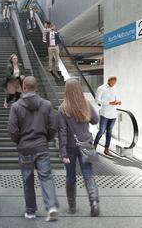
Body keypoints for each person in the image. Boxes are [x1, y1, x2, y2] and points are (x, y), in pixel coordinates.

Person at [7, 76, 59, 221]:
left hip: (25, 148)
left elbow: (12, 129)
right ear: (36, 88)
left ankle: (30, 211)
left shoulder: (16, 106)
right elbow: (53, 126)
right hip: (41, 146)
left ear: (23, 87)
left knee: (27, 179)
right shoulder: (47, 105)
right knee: (46, 177)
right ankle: (51, 207)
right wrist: (46, 139)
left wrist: (19, 140)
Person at [58, 78, 100, 217]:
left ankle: (72, 206)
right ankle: (94, 203)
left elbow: (62, 132)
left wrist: (63, 152)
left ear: (67, 90)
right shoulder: (86, 104)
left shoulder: (63, 108)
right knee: (88, 175)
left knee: (70, 176)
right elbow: (95, 120)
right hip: (86, 145)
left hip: (70, 148)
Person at [94, 76, 121, 156]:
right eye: (112, 82)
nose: (113, 84)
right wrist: (109, 103)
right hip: (104, 113)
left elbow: (117, 98)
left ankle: (106, 149)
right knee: (101, 131)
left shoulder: (115, 88)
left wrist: (118, 101)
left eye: (114, 83)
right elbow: (97, 100)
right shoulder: (101, 88)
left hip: (113, 114)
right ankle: (94, 146)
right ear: (108, 81)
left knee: (109, 132)